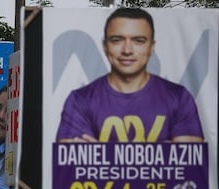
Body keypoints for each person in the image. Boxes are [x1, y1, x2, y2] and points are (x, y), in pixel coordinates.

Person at [56, 7, 204, 143]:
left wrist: (99, 157)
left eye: (138, 41)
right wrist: (162, 157)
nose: (127, 50)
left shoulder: (179, 98)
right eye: (117, 40)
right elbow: (69, 167)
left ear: (151, 48)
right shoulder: (80, 100)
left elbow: (190, 167)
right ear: (105, 46)